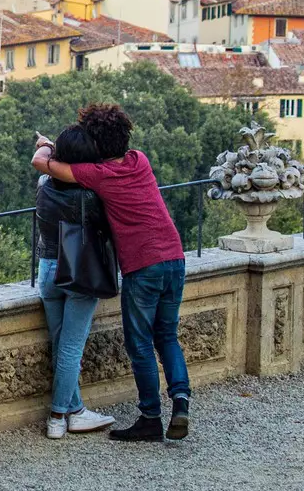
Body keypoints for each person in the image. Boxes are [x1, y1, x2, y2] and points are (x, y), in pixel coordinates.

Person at [33, 103, 191, 441]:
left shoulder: (92, 177)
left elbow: (43, 166)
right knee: (167, 336)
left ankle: (149, 417)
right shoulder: (140, 160)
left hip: (139, 265)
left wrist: (47, 145)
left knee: (139, 345)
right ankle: (180, 399)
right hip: (175, 257)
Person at [34, 122, 117, 439]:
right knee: (71, 348)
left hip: (48, 270)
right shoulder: (94, 193)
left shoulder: (44, 184)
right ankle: (58, 417)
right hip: (80, 270)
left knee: (60, 343)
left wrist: (49, 146)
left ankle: (76, 410)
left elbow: (44, 162)